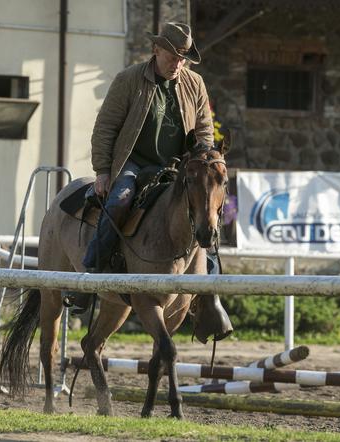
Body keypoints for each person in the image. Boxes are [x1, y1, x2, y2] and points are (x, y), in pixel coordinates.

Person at [69, 22, 232, 343]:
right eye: (173, 56)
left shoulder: (194, 83)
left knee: (206, 212)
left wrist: (204, 158)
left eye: (184, 59)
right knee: (119, 200)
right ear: (156, 50)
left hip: (178, 167)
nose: (178, 64)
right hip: (134, 163)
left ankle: (208, 295)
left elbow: (204, 130)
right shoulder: (128, 80)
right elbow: (105, 129)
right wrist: (102, 171)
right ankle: (90, 278)